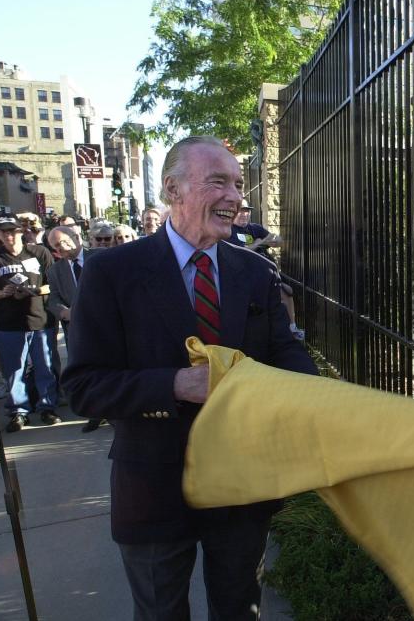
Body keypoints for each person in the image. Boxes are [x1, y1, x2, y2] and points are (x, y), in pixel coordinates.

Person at [63, 135, 318, 620]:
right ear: (171, 191)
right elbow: (83, 387)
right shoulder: (111, 273)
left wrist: (326, 401)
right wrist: (175, 385)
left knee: (240, 609)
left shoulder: (256, 271)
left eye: (238, 184)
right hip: (154, 487)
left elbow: (287, 352)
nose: (235, 196)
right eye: (218, 181)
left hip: (242, 486)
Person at [0, 213, 61, 431]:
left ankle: (47, 406)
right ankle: (18, 411)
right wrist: (3, 293)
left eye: (12, 231)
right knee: (14, 370)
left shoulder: (39, 252)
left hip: (40, 319)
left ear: (20, 231)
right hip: (9, 323)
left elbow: (53, 284)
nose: (9, 236)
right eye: (3, 232)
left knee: (45, 366)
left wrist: (35, 290)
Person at [47, 226, 104, 433]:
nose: (59, 249)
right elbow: (52, 299)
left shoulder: (100, 256)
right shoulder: (55, 270)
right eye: (54, 246)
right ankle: (96, 412)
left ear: (76, 237)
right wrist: (63, 311)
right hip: (78, 329)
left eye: (61, 243)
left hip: (109, 324)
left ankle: (117, 413)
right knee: (88, 372)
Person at [231, 203, 305, 340]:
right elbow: (238, 252)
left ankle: (292, 328)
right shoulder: (230, 230)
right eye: (241, 211)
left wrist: (275, 240)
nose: (244, 214)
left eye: (247, 211)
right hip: (246, 273)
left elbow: (277, 240)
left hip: (268, 270)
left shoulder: (255, 228)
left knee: (288, 291)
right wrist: (259, 243)